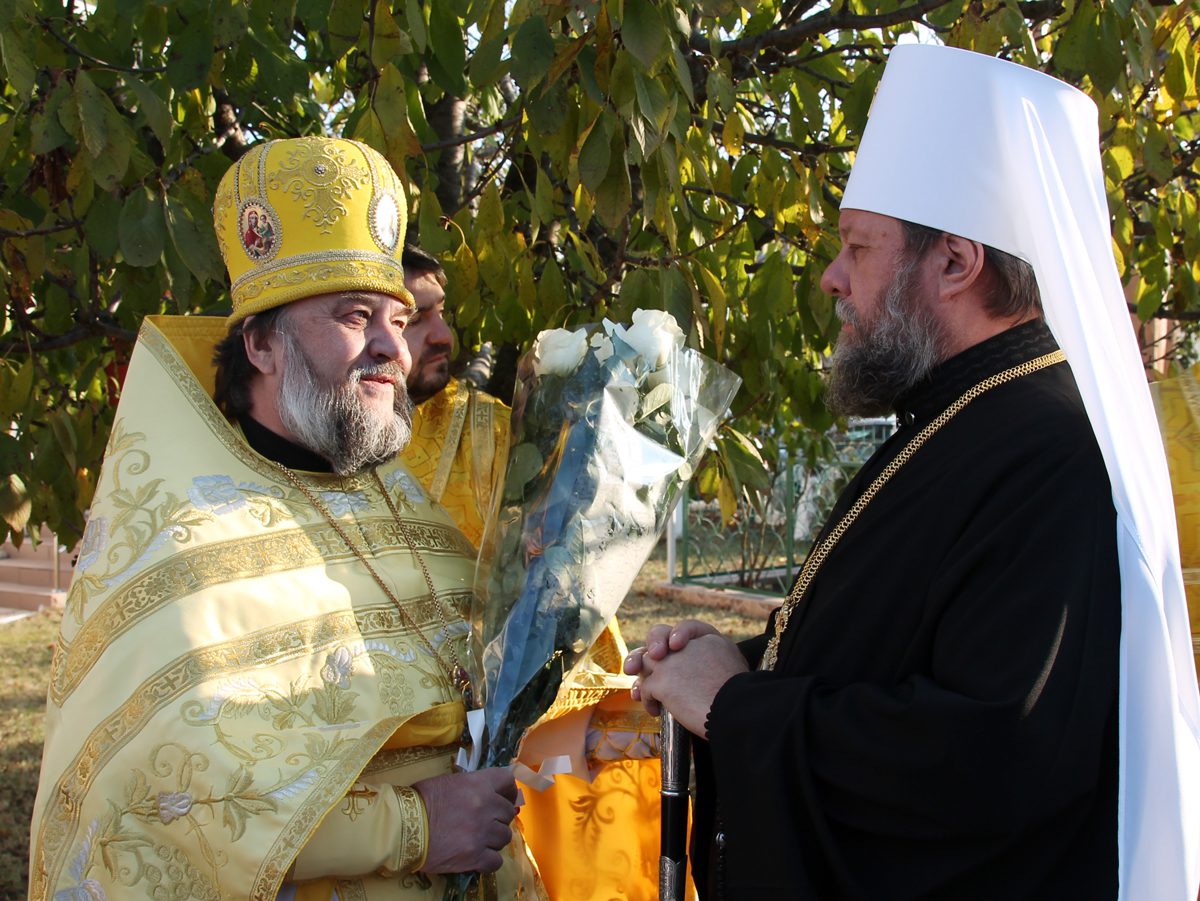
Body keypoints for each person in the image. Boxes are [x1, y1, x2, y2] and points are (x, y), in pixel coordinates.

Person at [625, 44, 1200, 899]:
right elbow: (895, 646)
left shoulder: (1051, 453)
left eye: (857, 248)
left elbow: (989, 754)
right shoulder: (961, 415)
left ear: (956, 262)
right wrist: (742, 662)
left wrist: (735, 708)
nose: (832, 278)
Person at [28, 136, 544, 900]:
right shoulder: (188, 538)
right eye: (356, 315)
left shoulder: (404, 505)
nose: (392, 349)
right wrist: (415, 828)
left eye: (398, 319)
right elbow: (162, 795)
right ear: (262, 343)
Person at [397, 246, 673, 901]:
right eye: (414, 318)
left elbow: (567, 590)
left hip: (508, 761)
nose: (443, 334)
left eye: (442, 312)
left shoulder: (497, 436)